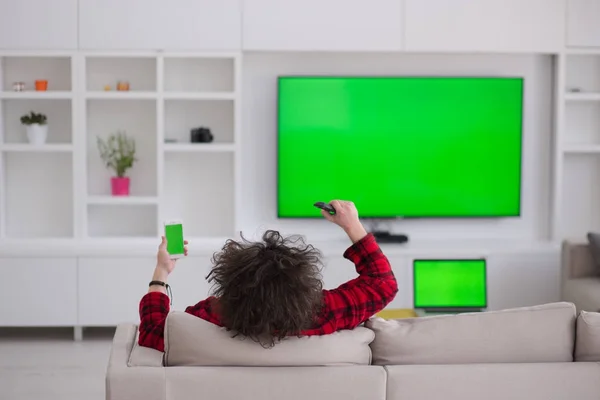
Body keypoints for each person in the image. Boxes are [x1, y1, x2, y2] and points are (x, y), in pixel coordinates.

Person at [139, 200, 398, 351]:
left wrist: (161, 270)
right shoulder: (326, 312)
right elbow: (382, 283)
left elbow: (152, 331)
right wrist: (352, 225)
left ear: (231, 282)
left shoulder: (209, 317)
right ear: (303, 280)